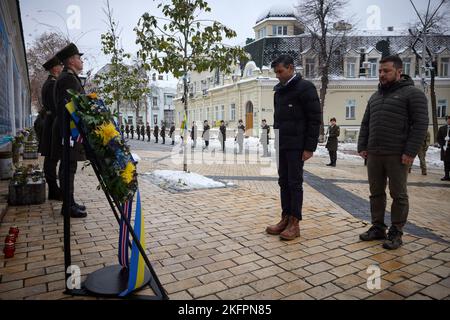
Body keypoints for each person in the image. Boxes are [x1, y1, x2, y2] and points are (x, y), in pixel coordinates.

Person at [357, 55, 429, 250]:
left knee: (399, 194)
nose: (381, 74)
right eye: (380, 71)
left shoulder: (413, 94)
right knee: (376, 192)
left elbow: (421, 125)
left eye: (386, 71)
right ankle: (378, 227)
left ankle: (396, 232)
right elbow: (366, 123)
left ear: (399, 71)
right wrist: (362, 146)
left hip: (398, 155)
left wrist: (410, 151)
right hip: (374, 153)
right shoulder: (375, 96)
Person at [265, 55, 321, 241]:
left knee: (295, 183)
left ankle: (295, 223)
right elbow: (278, 120)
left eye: (280, 72)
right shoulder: (279, 91)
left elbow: (315, 119)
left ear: (291, 68)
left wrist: (309, 147)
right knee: (283, 182)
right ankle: (285, 218)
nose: (278, 76)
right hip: (282, 144)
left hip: (297, 146)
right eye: (276, 73)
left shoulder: (306, 88)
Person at [52, 43, 88, 218]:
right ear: (72, 60)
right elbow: (71, 107)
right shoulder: (68, 78)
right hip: (68, 130)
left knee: (69, 166)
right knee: (68, 167)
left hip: (68, 129)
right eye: (79, 58)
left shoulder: (69, 77)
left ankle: (70, 201)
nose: (82, 61)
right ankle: (67, 206)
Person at [40, 55, 64, 201]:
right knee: (51, 158)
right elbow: (54, 106)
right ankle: (54, 190)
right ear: (55, 68)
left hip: (49, 123)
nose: (62, 68)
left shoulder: (50, 83)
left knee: (51, 158)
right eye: (60, 66)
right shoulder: (51, 84)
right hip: (51, 125)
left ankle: (54, 190)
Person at [437, 116, 450, 181]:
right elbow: (438, 138)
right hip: (445, 149)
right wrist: (443, 145)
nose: (449, 121)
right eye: (448, 119)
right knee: (446, 163)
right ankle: (446, 176)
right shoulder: (442, 128)